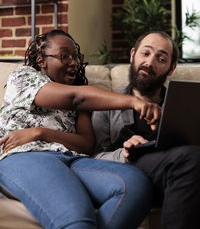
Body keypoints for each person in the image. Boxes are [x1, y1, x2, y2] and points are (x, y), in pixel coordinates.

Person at [0, 30, 161, 229]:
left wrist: (41, 133)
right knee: (76, 218)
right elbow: (76, 97)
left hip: (73, 160)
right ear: (41, 60)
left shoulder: (81, 95)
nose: (73, 62)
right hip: (27, 156)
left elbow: (86, 144)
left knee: (136, 186)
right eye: (64, 56)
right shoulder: (23, 77)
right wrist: (135, 102)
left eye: (76, 57)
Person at [92, 31, 200, 229]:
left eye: (161, 59)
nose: (149, 63)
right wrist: (123, 153)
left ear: (171, 68)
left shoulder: (187, 103)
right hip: (132, 170)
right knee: (191, 158)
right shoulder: (107, 105)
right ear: (133, 55)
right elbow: (95, 158)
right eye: (145, 53)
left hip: (182, 174)